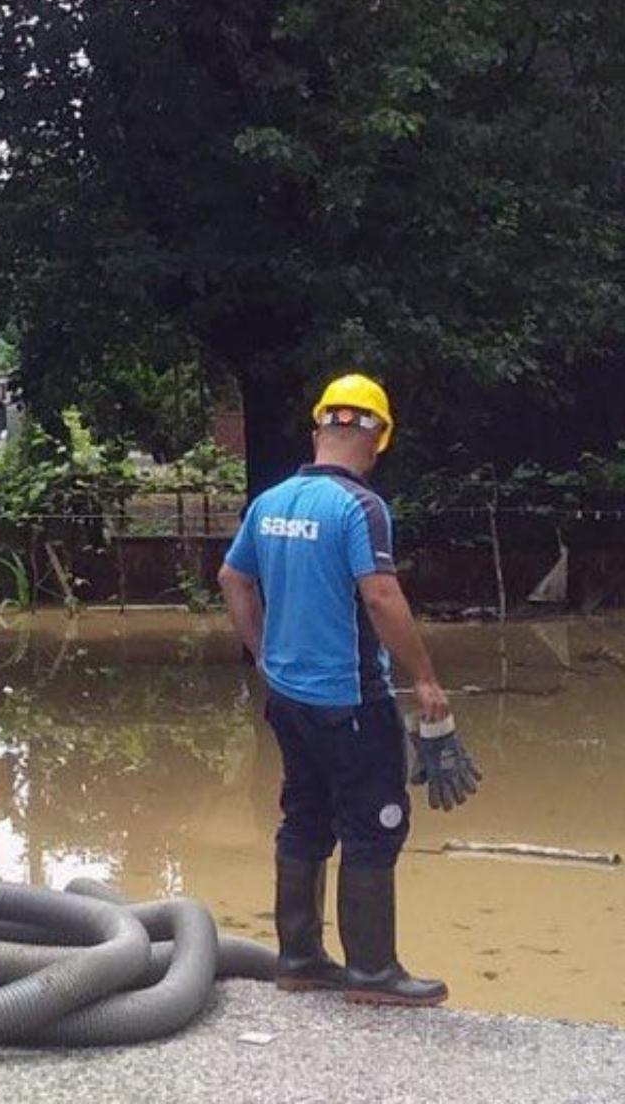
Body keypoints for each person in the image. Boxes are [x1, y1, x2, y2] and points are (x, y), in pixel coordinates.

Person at [217, 374, 480, 1007]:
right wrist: (423, 678)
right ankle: (371, 971)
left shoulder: (271, 501)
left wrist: (264, 655)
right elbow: (381, 595)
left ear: (319, 432)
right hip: (350, 701)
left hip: (287, 700)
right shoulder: (361, 508)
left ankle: (300, 958)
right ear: (378, 438)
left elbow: (232, 578)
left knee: (304, 816)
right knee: (374, 824)